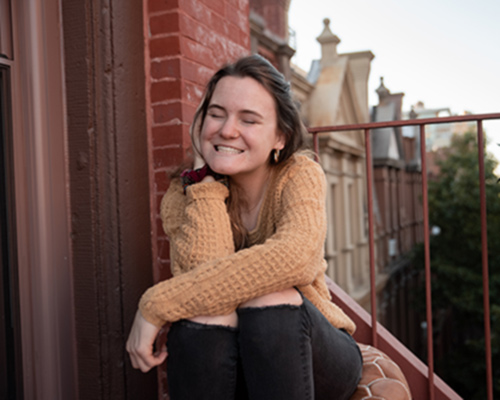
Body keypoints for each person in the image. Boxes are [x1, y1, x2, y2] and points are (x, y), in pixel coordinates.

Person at [126, 54, 362, 400]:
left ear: (280, 137)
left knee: (271, 294)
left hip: (312, 353)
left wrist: (155, 304)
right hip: (230, 357)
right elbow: (204, 291)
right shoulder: (185, 192)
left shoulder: (299, 174)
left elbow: (295, 258)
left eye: (248, 120)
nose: (226, 130)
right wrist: (205, 182)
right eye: (216, 114)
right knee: (204, 316)